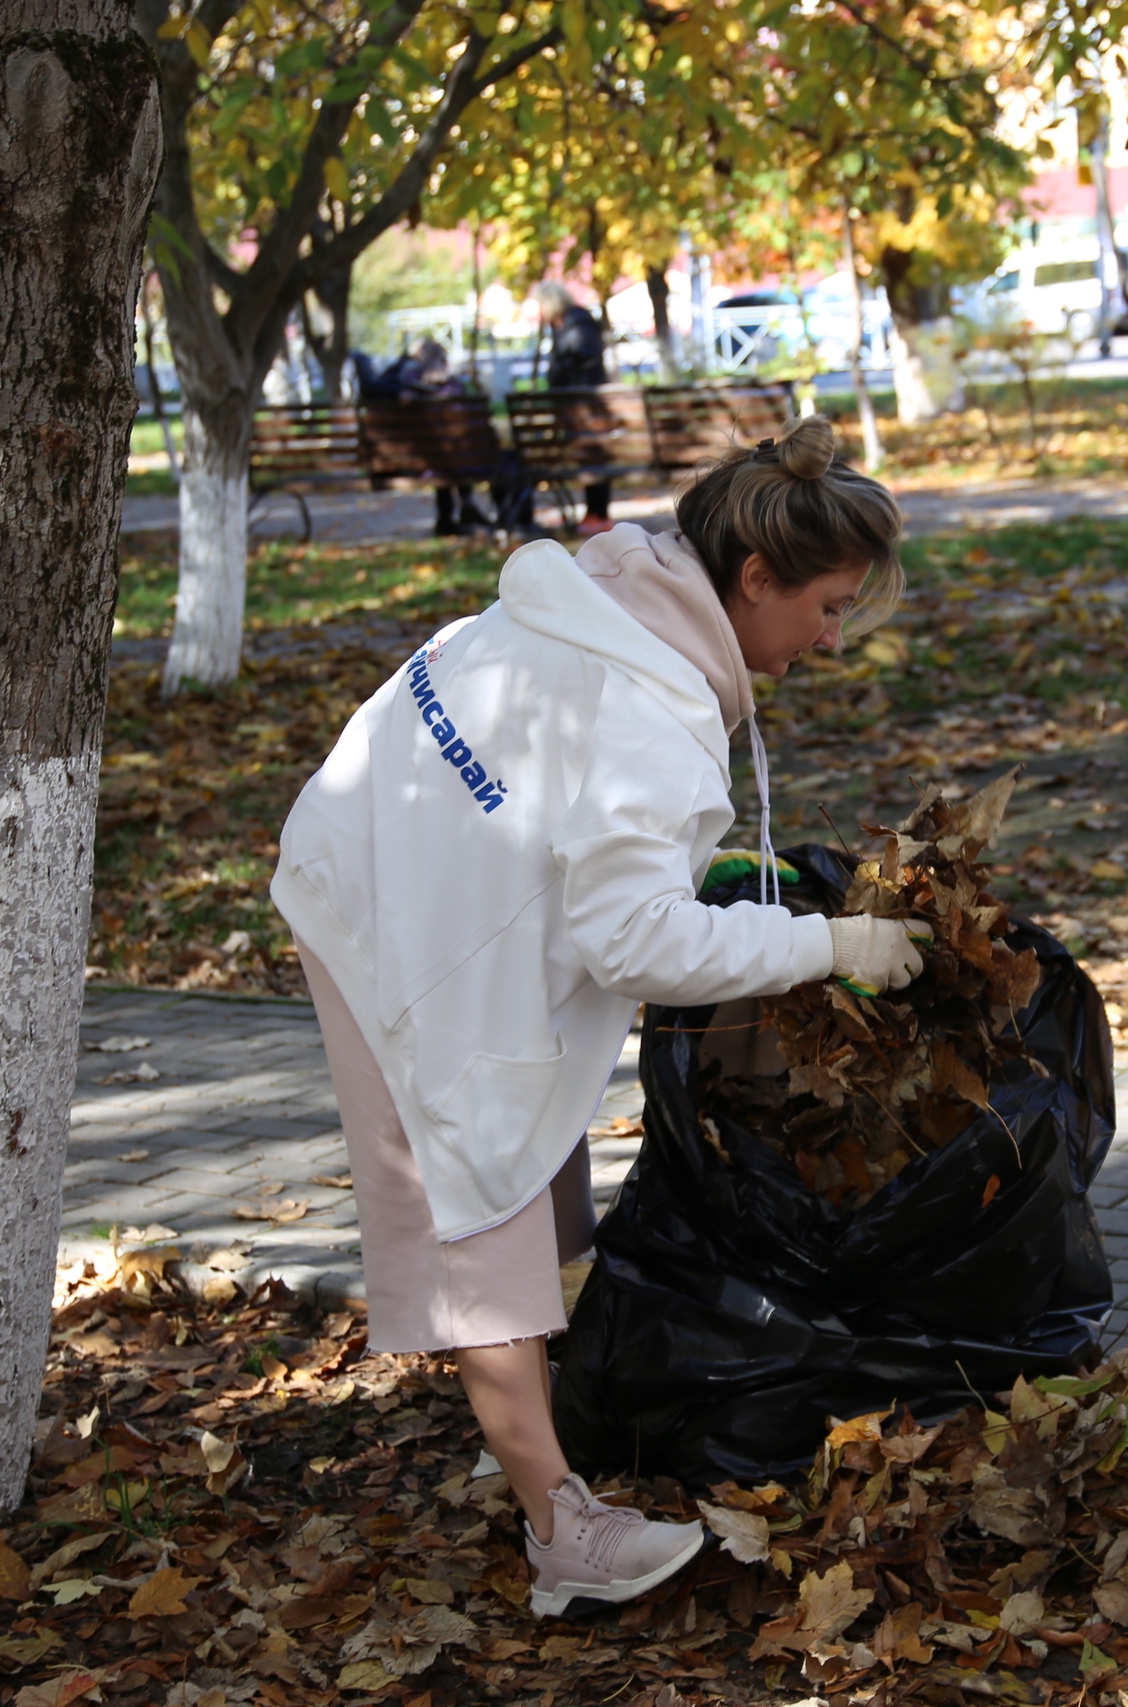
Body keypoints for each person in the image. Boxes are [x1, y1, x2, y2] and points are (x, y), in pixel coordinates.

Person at [270, 415, 924, 1615]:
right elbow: (631, 939)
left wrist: (716, 885)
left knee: (527, 1176)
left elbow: (591, 846)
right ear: (755, 577)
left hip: (387, 854)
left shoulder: (618, 595)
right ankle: (555, 1528)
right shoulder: (646, 721)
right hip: (386, 917)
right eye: (825, 606)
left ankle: (532, 1423)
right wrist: (832, 944)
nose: (831, 640)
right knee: (482, 1204)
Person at [387, 337, 493, 537]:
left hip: (425, 462)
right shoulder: (456, 389)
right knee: (457, 456)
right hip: (462, 460)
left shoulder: (408, 389)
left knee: (442, 459)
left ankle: (446, 519)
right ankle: (467, 508)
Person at [536, 281, 616, 536]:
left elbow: (579, 369)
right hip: (582, 413)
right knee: (590, 453)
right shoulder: (574, 325)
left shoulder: (575, 328)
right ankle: (594, 514)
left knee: (592, 454)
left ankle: (598, 514)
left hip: (584, 411)